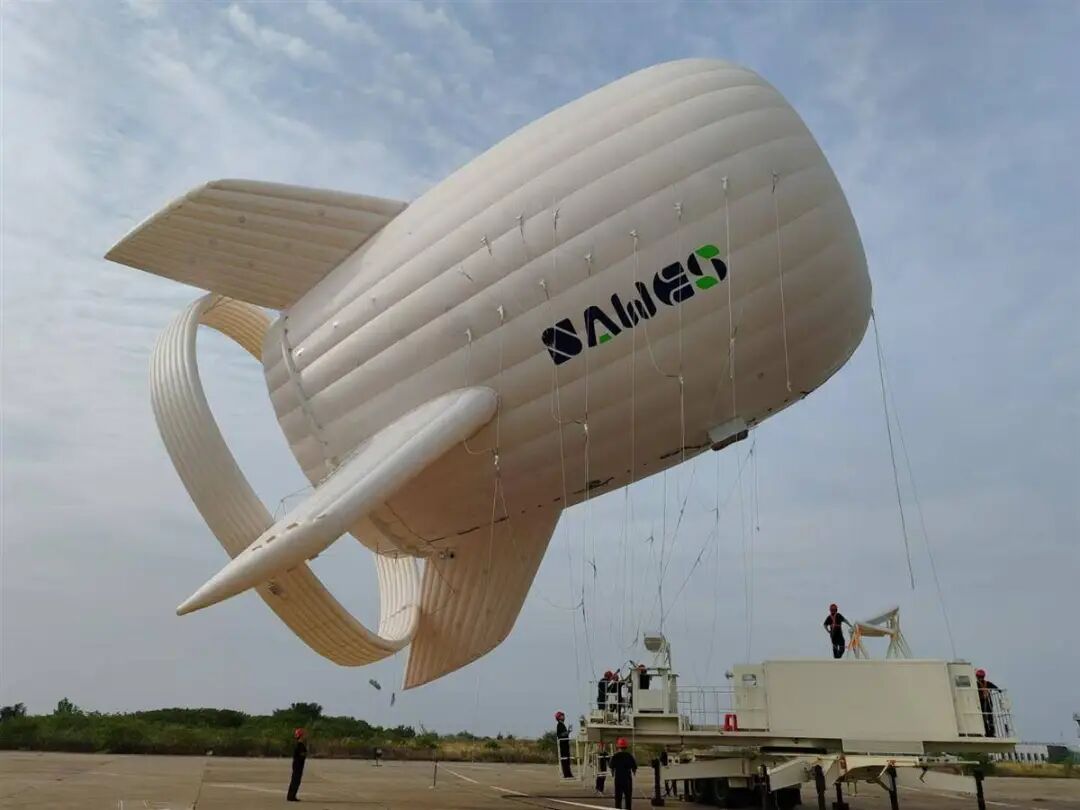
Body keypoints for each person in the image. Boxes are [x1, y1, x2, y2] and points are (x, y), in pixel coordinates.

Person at [609, 737, 637, 809]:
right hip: (627, 779)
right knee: (628, 797)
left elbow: (611, 767)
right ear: (626, 747)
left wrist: (612, 774)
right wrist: (634, 772)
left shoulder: (615, 756)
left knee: (618, 797)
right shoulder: (629, 756)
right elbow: (634, 767)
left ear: (618, 747)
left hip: (618, 779)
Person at [976, 668, 1000, 738]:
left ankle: (990, 732)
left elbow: (994, 687)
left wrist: (998, 690)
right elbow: (994, 687)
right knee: (986, 717)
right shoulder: (980, 683)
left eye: (980, 677)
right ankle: (988, 732)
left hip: (985, 702)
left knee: (987, 717)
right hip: (984, 702)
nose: (980, 678)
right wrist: (998, 690)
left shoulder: (982, 683)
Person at [287, 727, 307, 802]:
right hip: (298, 765)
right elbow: (301, 756)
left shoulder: (300, 745)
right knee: (295, 781)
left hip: (298, 765)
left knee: (295, 781)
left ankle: (292, 795)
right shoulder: (299, 746)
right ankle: (291, 796)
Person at [555, 711, 573, 778]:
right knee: (565, 759)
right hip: (563, 745)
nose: (564, 717)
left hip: (565, 744)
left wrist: (568, 732)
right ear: (559, 717)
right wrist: (567, 732)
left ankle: (568, 774)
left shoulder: (562, 724)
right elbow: (560, 735)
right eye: (562, 716)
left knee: (567, 759)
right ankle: (566, 774)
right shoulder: (559, 725)